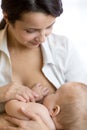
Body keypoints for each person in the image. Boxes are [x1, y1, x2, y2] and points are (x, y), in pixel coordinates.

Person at [0, 0, 87, 129]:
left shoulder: (64, 49)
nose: (42, 39)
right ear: (6, 17)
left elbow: (82, 116)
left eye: (49, 26)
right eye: (31, 30)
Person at [4, 82, 87, 130]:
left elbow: (9, 106)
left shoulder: (41, 111)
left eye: (55, 93)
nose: (51, 93)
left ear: (54, 110)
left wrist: (31, 95)